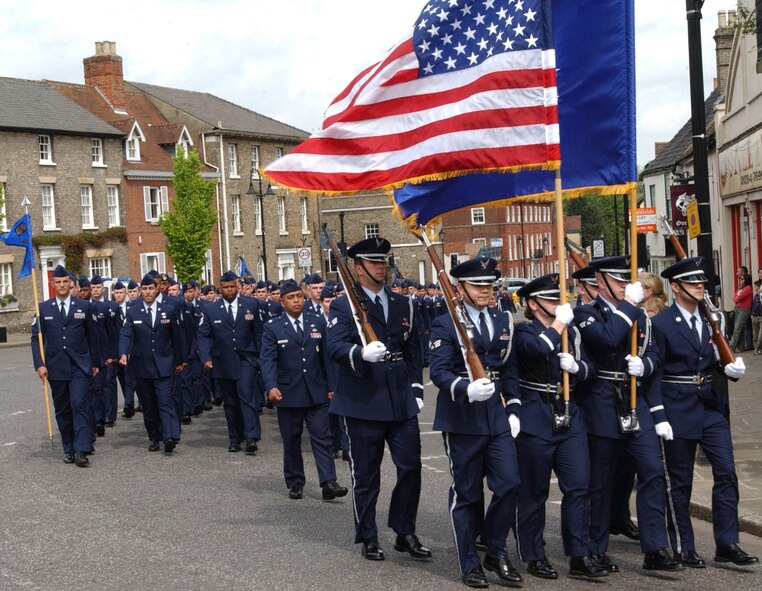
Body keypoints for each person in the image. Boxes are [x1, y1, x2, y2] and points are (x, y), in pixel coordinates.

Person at [574, 256, 682, 572]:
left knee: (652, 471)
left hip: (636, 404)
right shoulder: (586, 314)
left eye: (626, 280)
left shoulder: (640, 316)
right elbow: (607, 338)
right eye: (618, 281)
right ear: (601, 281)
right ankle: (595, 548)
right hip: (602, 405)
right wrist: (630, 305)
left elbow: (655, 356)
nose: (625, 286)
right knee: (601, 482)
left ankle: (655, 549)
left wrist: (644, 365)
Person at [326, 237, 431, 563]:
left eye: (383, 261)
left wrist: (416, 386)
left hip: (399, 397)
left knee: (411, 466)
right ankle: (369, 535)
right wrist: (359, 352)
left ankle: (404, 530)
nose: (381, 267)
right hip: (362, 398)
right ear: (357, 268)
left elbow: (414, 350)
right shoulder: (344, 306)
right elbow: (334, 347)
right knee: (367, 473)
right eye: (373, 263)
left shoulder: (403, 303)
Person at [651, 257, 757, 567]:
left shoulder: (715, 320)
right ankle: (684, 546)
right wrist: (658, 413)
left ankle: (727, 543)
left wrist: (731, 369)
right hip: (677, 404)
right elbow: (655, 373)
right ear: (675, 287)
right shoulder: (661, 323)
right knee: (680, 481)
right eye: (692, 282)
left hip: (710, 405)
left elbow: (716, 361)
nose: (700, 286)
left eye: (702, 282)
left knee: (726, 473)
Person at [428, 256, 521, 588]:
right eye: (478, 285)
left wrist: (513, 407)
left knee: (510, 483)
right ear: (460, 288)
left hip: (496, 416)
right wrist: (465, 387)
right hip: (463, 418)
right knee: (467, 494)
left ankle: (495, 549)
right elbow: (438, 371)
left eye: (489, 284)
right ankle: (470, 562)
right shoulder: (445, 324)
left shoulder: (502, 318)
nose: (486, 290)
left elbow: (508, 367)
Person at [512, 274, 607, 580]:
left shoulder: (572, 332)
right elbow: (538, 350)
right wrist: (558, 326)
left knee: (579, 486)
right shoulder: (523, 331)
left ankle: (578, 554)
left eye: (559, 298)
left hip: (570, 416)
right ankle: (533, 554)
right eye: (551, 299)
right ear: (532, 303)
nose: (558, 303)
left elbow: (593, 367)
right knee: (534, 492)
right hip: (535, 418)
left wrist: (578, 368)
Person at [259, 279, 348, 501]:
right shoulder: (273, 327)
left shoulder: (316, 321)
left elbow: (326, 358)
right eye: (291, 297)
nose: (296, 301)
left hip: (316, 392)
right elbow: (268, 360)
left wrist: (331, 387)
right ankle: (295, 481)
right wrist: (271, 386)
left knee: (322, 438)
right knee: (291, 440)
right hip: (288, 393)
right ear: (282, 302)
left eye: (299, 296)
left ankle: (328, 481)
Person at [31, 265, 101, 466]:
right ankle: (68, 448)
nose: (62, 285)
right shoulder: (43, 308)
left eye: (65, 282)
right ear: (53, 285)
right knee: (63, 410)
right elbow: (36, 339)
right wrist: (39, 364)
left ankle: (81, 450)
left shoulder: (84, 307)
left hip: (79, 367)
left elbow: (93, 337)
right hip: (55, 367)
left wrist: (95, 362)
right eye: (58, 282)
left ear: (71, 284)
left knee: (79, 405)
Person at [197, 271, 264, 453]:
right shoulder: (211, 309)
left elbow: (259, 333)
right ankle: (235, 438)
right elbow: (203, 335)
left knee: (247, 397)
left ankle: (251, 437)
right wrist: (206, 358)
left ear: (238, 287)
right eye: (225, 288)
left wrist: (260, 359)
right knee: (231, 402)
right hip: (223, 361)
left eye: (232, 287)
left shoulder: (251, 305)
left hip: (246, 360)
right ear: (221, 288)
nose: (229, 291)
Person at [118, 274, 185, 453]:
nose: (148, 292)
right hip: (142, 366)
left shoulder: (169, 310)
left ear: (156, 290)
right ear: (141, 291)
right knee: (149, 406)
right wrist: (123, 352)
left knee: (165, 401)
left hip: (165, 364)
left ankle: (170, 437)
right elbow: (126, 333)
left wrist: (180, 360)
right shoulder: (133, 311)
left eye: (151, 288)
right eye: (144, 289)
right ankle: (155, 437)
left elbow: (176, 337)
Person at [729, 272, 752, 352]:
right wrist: (737, 298)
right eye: (740, 279)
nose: (740, 281)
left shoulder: (748, 288)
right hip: (738, 309)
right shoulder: (740, 288)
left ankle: (731, 347)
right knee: (739, 329)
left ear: (746, 280)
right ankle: (740, 347)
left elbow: (739, 297)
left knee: (737, 328)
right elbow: (735, 297)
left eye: (742, 279)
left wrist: (737, 298)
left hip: (744, 309)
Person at [751, 278, 762, 355]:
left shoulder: (760, 296)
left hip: (760, 316)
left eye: (755, 286)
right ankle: (756, 348)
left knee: (760, 334)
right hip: (754, 316)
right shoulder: (756, 296)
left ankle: (758, 349)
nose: (754, 288)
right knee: (755, 334)